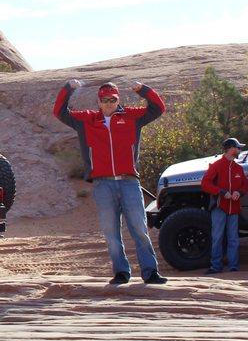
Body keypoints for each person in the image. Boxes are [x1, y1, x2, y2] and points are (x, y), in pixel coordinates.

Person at [53, 79, 168, 285]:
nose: (108, 103)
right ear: (98, 102)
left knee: (139, 229)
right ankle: (121, 272)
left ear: (118, 100)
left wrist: (143, 90)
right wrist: (68, 88)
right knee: (111, 231)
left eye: (112, 100)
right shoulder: (86, 120)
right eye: (104, 100)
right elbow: (59, 112)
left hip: (129, 182)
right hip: (102, 184)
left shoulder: (131, 117)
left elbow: (158, 108)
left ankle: (150, 272)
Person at [201, 138, 248, 274]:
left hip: (234, 208)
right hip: (219, 207)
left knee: (233, 238)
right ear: (230, 148)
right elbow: (205, 184)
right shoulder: (216, 166)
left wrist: (239, 192)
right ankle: (216, 266)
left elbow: (245, 186)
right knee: (217, 237)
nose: (240, 150)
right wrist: (221, 192)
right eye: (238, 148)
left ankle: (233, 267)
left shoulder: (238, 168)